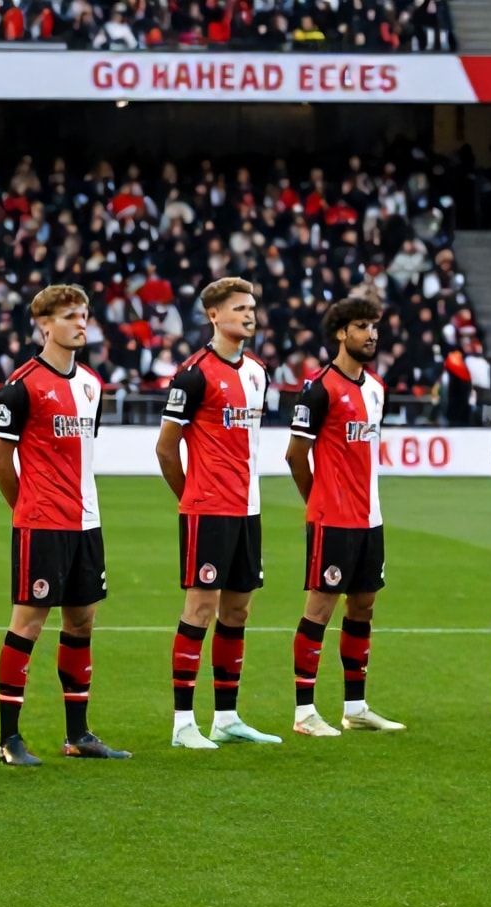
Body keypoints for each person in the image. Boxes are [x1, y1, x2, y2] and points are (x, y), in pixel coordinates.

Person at [0, 284, 130, 766]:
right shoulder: (22, 384)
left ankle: (78, 735)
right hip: (42, 523)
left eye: (84, 314)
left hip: (86, 522)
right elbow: (0, 460)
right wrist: (25, 509)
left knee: (81, 620)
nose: (81, 322)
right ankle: (9, 739)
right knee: (28, 622)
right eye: (70, 316)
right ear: (45, 325)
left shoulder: (92, 384)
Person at [155, 276, 281, 749]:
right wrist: (193, 498)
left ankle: (226, 717)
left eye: (252, 307)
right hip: (209, 510)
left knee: (238, 609)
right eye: (239, 308)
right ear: (214, 316)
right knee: (200, 608)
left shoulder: (257, 372)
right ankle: (183, 723)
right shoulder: (193, 374)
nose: (249, 314)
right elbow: (166, 450)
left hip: (248, 509)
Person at [283, 297, 407, 738]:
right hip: (332, 518)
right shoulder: (319, 389)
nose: (371, 334)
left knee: (364, 606)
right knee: (320, 607)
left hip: (369, 517)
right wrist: (318, 501)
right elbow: (295, 455)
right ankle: (304, 712)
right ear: (340, 333)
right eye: (361, 326)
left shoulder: (375, 388)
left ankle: (355, 707)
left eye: (374, 326)